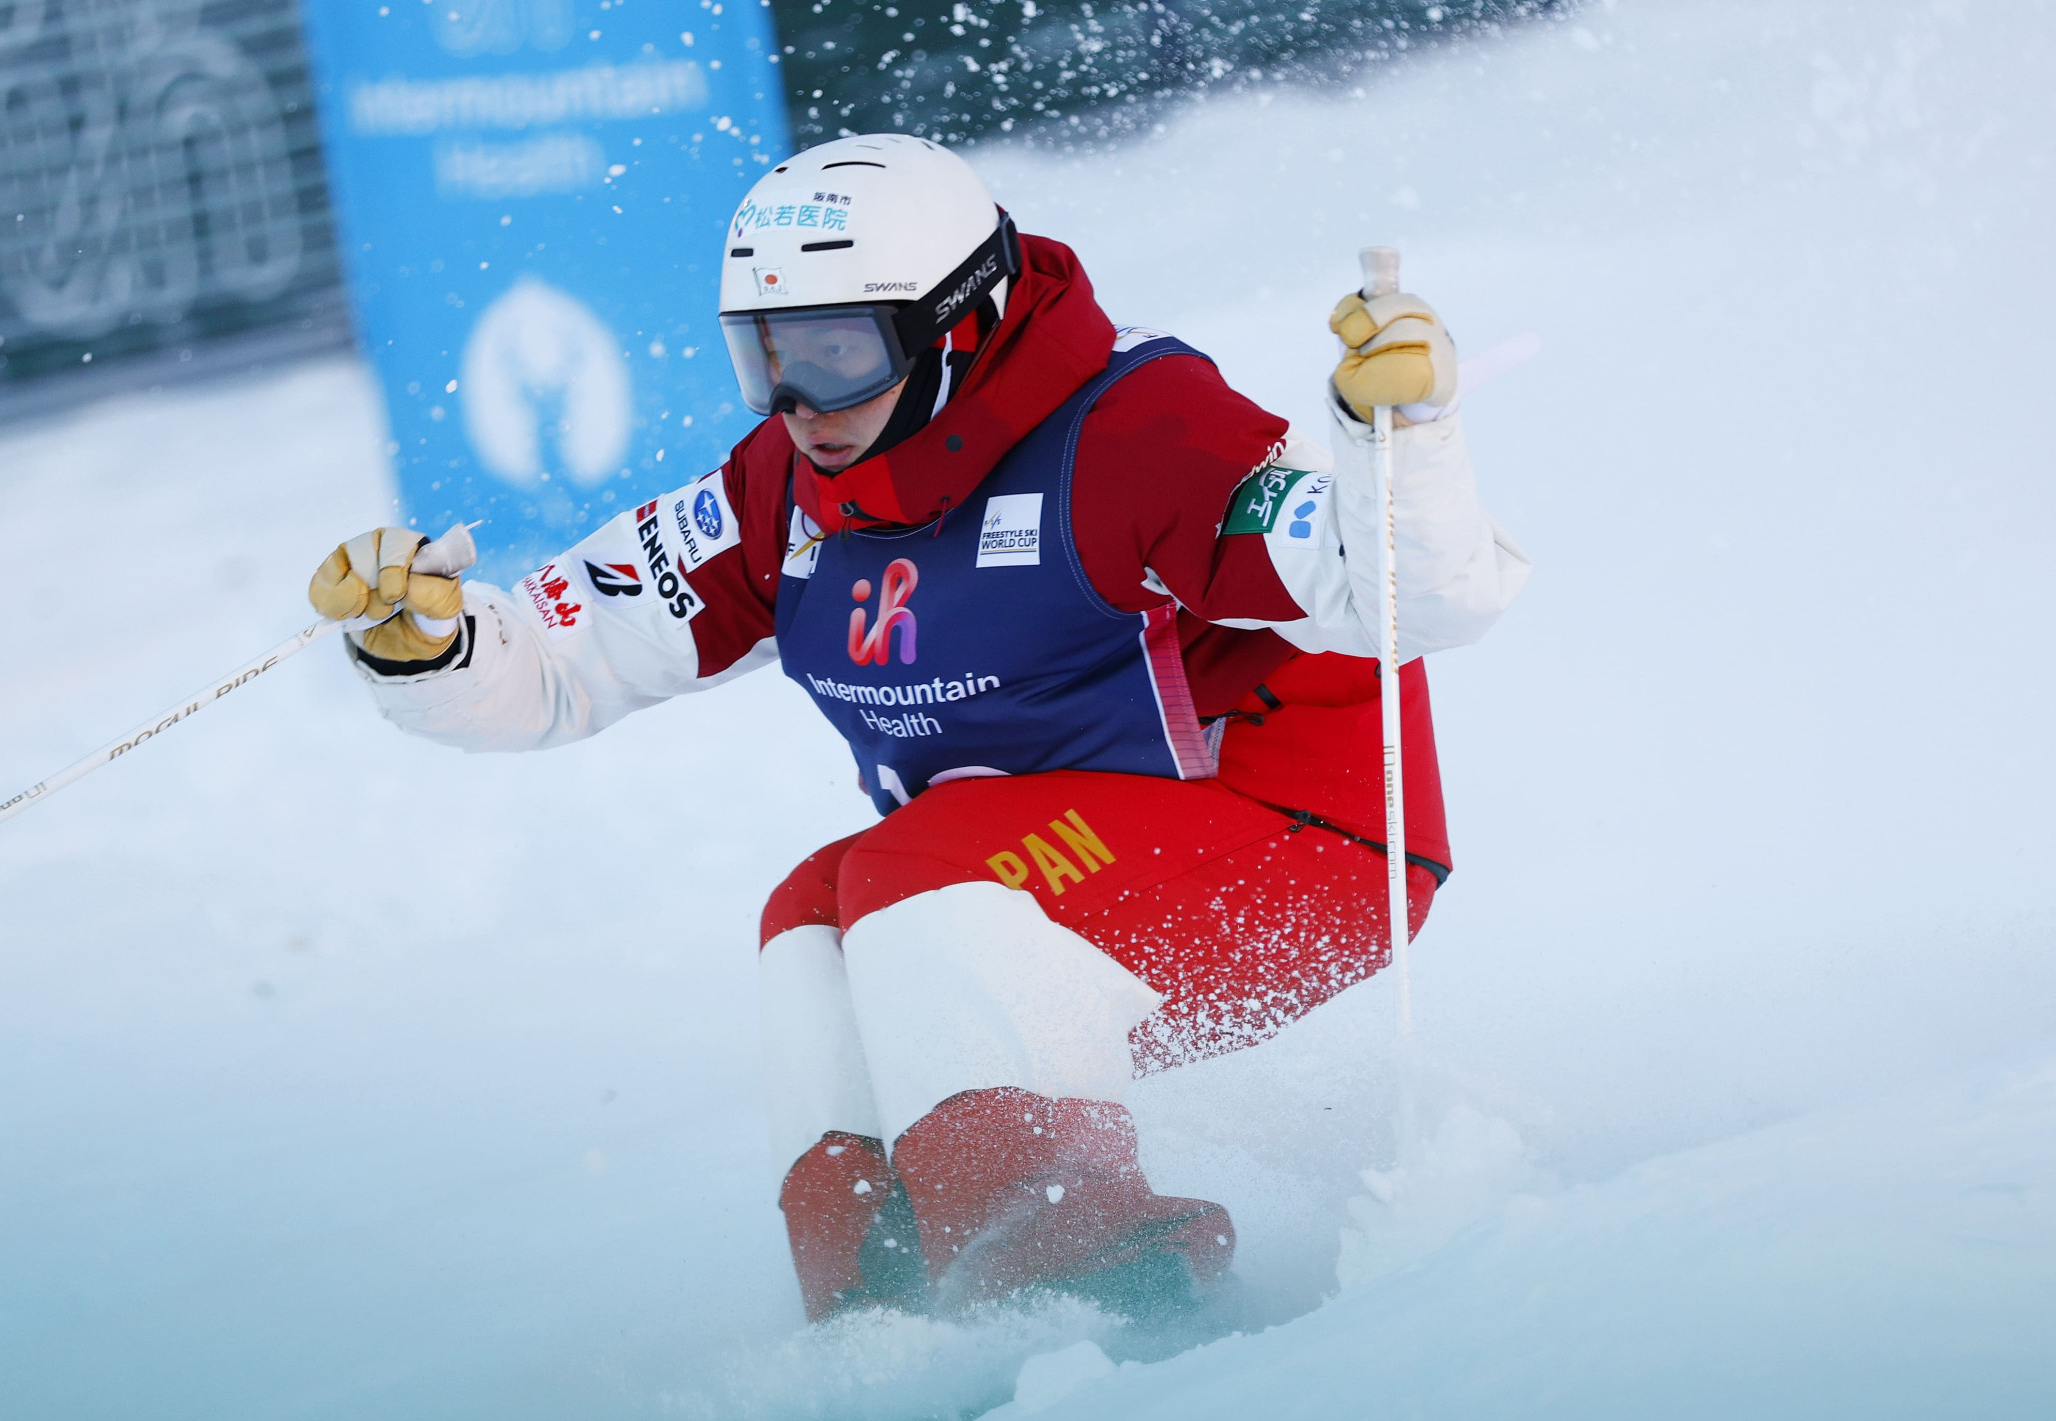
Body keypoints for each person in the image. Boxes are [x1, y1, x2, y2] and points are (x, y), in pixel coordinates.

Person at [307, 135, 1527, 1323]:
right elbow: (564, 660)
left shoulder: (1135, 432)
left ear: (959, 326)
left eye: (838, 353)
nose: (797, 404)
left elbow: (1413, 599)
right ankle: (884, 1318)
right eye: (765, 357)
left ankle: (1095, 1297)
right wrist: (431, 643)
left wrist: (1402, 439)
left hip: (1305, 843)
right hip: (1041, 874)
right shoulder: (786, 488)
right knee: (812, 916)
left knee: (914, 875)